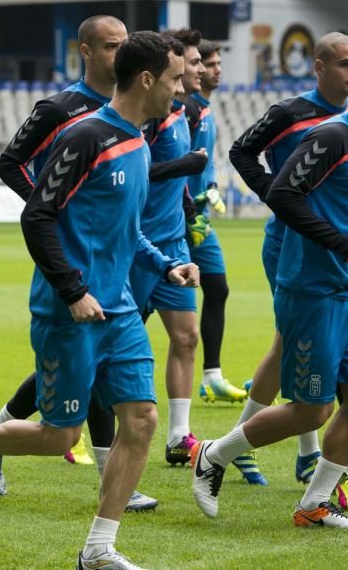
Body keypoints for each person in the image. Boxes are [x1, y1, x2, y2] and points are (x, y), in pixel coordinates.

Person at [0, 31, 199, 570]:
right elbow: (37, 215)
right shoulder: (86, 137)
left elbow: (126, 230)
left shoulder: (138, 142)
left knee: (142, 421)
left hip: (121, 312)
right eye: (176, 79)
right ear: (146, 79)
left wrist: (166, 265)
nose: (181, 91)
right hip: (70, 312)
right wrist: (73, 289)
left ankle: (98, 550)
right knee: (58, 435)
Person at [190, 51, 348, 528]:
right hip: (310, 289)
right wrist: (339, 243)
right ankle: (212, 453)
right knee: (312, 410)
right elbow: (283, 195)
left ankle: (314, 503)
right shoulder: (330, 137)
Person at [0, 15, 159, 511]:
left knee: (94, 370)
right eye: (109, 46)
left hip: (116, 252)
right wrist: (51, 211)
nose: (118, 53)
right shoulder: (61, 109)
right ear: (84, 51)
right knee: (84, 372)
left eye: (125, 45)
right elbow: (10, 163)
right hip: (69, 258)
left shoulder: (132, 113)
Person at [227, 32, 348, 487]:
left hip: (329, 246)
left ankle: (271, 447)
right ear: (320, 67)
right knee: (296, 339)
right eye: (345, 64)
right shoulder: (291, 113)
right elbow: (241, 150)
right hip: (290, 243)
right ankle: (279, 449)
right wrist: (271, 193)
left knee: (291, 342)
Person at [129, 27, 206, 466]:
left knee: (186, 335)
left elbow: (174, 182)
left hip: (173, 242)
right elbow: (143, 174)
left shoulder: (187, 113)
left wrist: (189, 205)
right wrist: (184, 165)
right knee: (105, 346)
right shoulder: (153, 116)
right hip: (138, 245)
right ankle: (21, 420)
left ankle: (180, 434)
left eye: (192, 67)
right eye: (185, 67)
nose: (190, 75)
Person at [185, 41, 246, 404]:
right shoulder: (189, 108)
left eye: (219, 63)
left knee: (218, 288)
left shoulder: (205, 108)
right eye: (208, 64)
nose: (216, 69)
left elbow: (202, 162)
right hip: (180, 217)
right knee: (147, 305)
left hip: (200, 215)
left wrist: (209, 187)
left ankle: (212, 377)